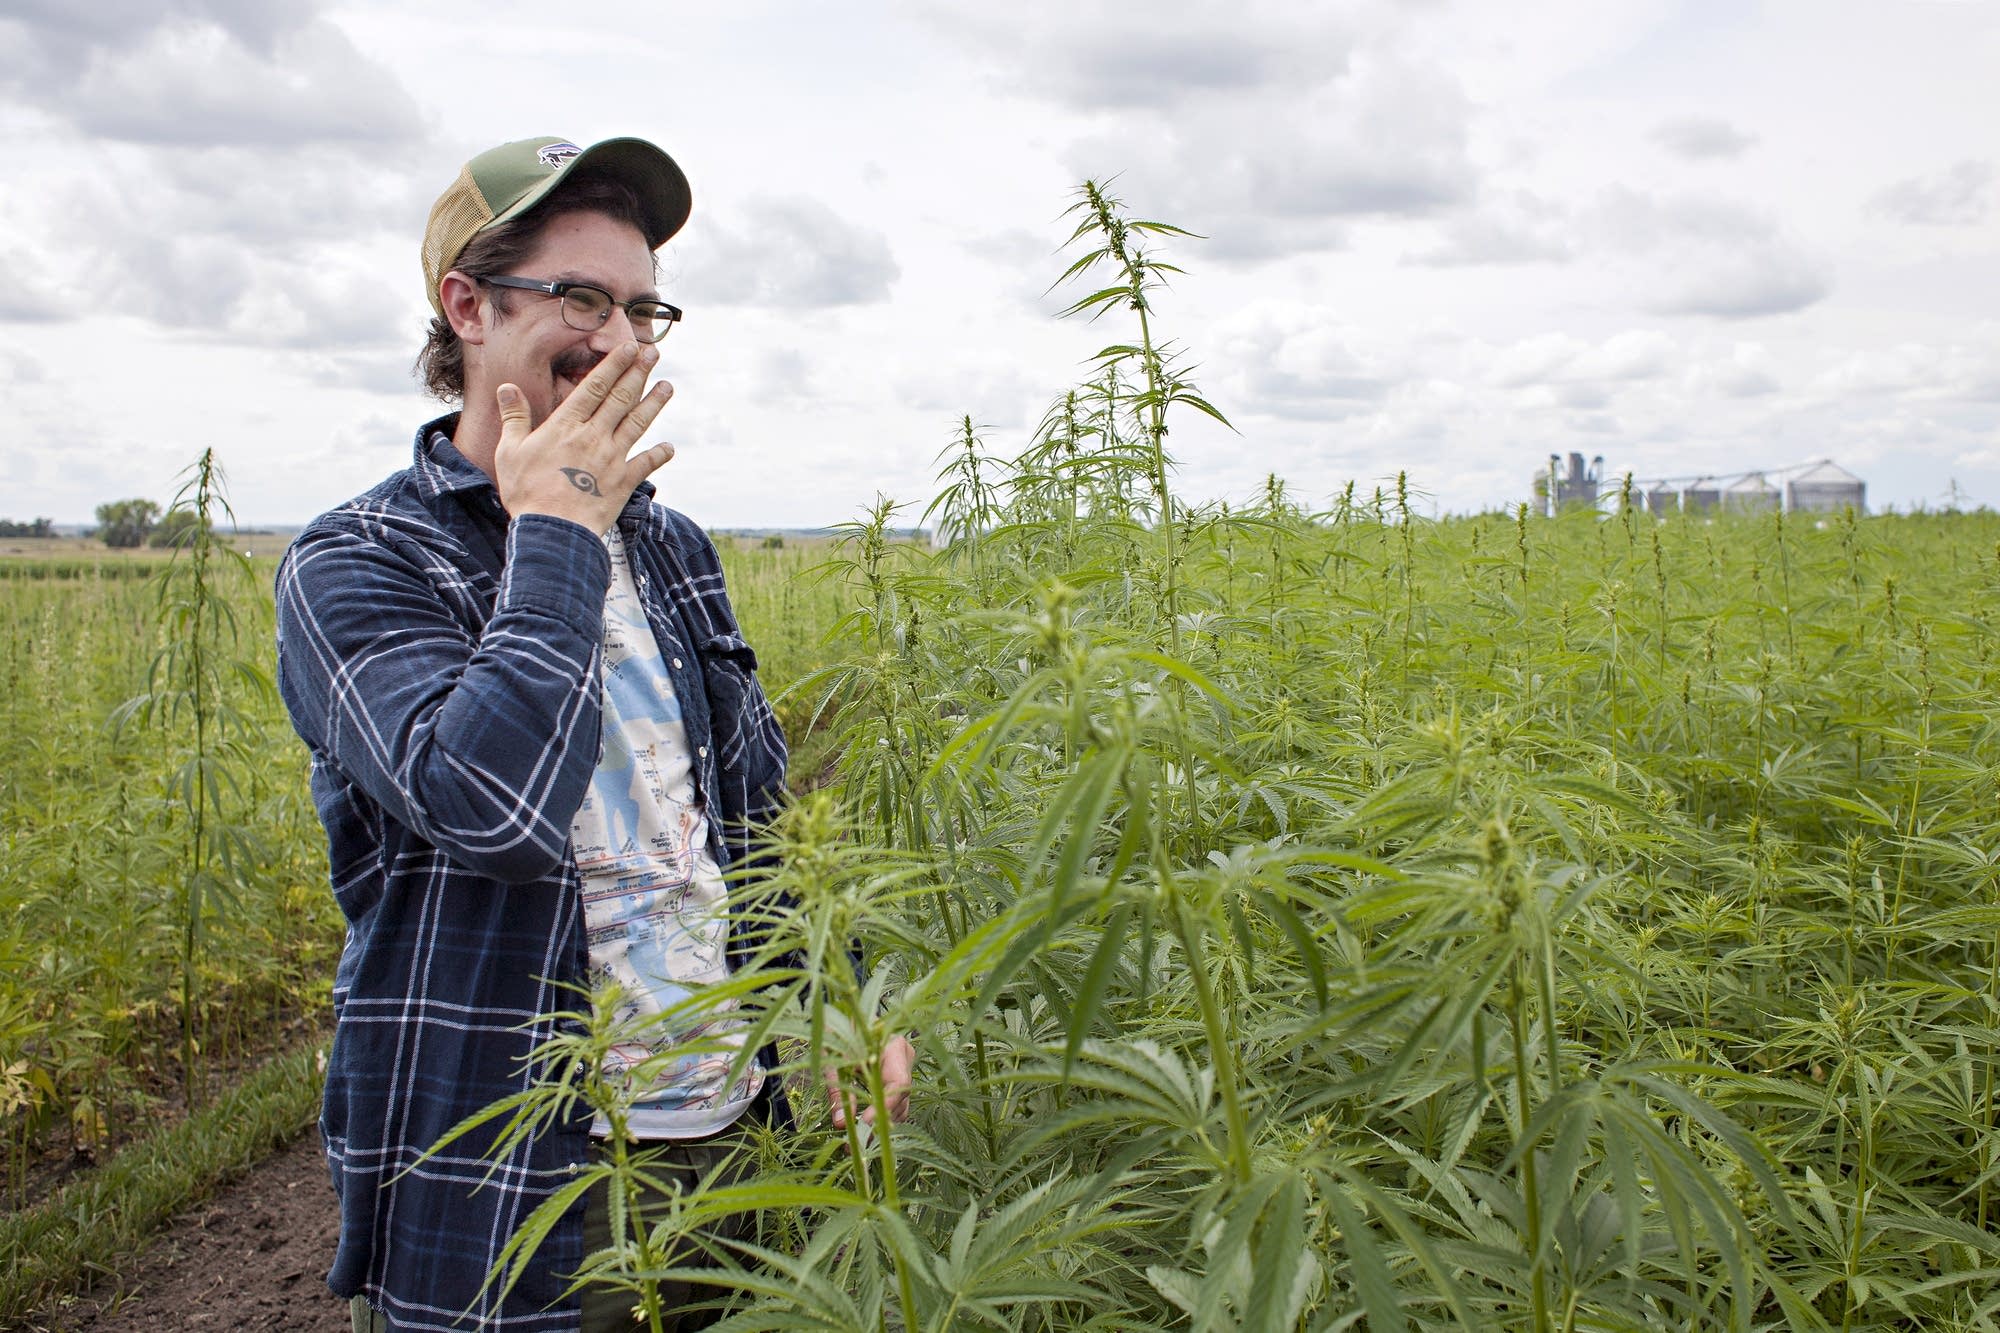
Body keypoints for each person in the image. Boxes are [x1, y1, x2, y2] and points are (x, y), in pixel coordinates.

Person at [275, 135, 913, 1332]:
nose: (619, 341)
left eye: (642, 308)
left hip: (729, 1143)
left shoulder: (672, 550)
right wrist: (557, 531)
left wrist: (837, 996)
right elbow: (491, 808)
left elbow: (747, 827)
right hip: (522, 1179)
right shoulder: (360, 561)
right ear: (466, 305)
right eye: (578, 298)